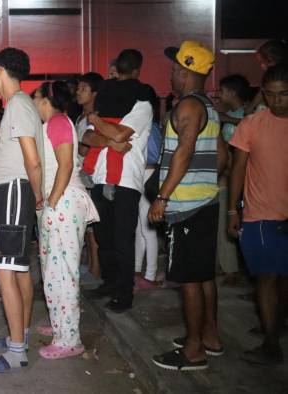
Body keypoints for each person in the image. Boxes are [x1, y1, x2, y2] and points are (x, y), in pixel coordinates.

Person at [149, 40, 227, 371]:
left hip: (186, 206)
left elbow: (184, 151)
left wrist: (163, 196)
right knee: (204, 275)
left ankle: (194, 350)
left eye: (173, 68)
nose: (170, 74)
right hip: (206, 201)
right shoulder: (208, 107)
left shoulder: (187, 107)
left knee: (188, 281)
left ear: (183, 71)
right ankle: (209, 336)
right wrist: (206, 181)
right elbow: (222, 154)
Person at [0, 47, 43, 373]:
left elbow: (32, 159)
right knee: (18, 269)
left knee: (5, 270)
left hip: (15, 194)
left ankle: (17, 351)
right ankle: (21, 334)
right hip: (14, 191)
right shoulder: (21, 105)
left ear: (0, 70)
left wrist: (37, 198)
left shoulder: (18, 104)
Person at [81, 49, 153, 313]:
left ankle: (125, 293)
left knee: (123, 240)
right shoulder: (109, 103)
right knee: (104, 237)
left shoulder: (142, 104)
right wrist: (109, 137)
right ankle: (110, 283)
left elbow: (121, 134)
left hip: (125, 180)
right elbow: (88, 139)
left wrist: (97, 121)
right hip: (101, 176)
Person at [33, 81, 99, 360]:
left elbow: (66, 164)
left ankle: (70, 338)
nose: (33, 104)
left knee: (62, 272)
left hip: (63, 202)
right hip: (58, 202)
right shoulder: (53, 124)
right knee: (52, 269)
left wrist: (53, 200)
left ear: (46, 99)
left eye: (35, 98)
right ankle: (60, 323)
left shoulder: (58, 122)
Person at [228, 64, 288, 365]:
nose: (278, 101)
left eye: (284, 95)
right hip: (260, 213)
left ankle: (276, 324)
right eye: (272, 95)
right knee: (266, 277)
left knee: (282, 279)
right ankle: (270, 342)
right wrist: (232, 209)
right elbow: (237, 168)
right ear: (263, 94)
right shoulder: (251, 124)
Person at [216, 74, 251, 286]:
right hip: (228, 177)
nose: (220, 95)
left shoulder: (246, 114)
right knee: (228, 223)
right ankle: (231, 269)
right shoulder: (230, 114)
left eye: (222, 91)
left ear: (232, 93)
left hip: (244, 179)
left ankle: (242, 272)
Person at [74, 72, 104, 280]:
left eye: (84, 89)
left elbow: (85, 149)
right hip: (79, 174)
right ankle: (90, 265)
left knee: (92, 228)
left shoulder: (97, 118)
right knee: (86, 227)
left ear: (95, 93)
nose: (78, 92)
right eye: (78, 88)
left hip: (90, 175)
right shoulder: (80, 118)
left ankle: (96, 269)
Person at [134, 94, 162, 289]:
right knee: (140, 228)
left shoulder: (151, 128)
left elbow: (151, 155)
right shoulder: (154, 126)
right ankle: (138, 271)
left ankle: (150, 275)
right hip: (144, 174)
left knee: (147, 230)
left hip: (148, 174)